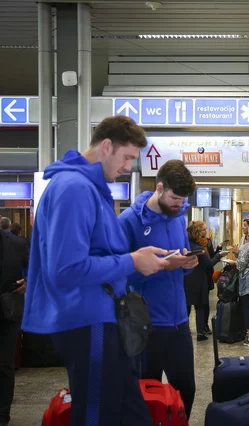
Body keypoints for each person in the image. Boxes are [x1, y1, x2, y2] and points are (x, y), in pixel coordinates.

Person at [21, 115, 169, 426]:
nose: (128, 167)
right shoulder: (74, 189)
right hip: (89, 322)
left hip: (102, 318)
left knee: (129, 413)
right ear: (106, 146)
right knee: (98, 415)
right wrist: (131, 261)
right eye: (127, 157)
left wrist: (137, 259)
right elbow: (65, 269)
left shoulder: (90, 188)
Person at [118, 159, 199, 419]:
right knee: (145, 394)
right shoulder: (129, 221)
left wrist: (187, 263)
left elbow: (180, 258)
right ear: (160, 188)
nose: (179, 204)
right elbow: (116, 271)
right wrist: (163, 266)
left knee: (186, 390)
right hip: (145, 324)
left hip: (179, 322)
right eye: (175, 198)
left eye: (184, 200)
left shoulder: (177, 217)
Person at [0, 228, 29, 426]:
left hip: (6, 312)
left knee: (3, 365)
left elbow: (38, 268)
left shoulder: (17, 244)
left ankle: (2, 416)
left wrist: (29, 281)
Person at [184, 220, 225, 341]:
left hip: (185, 279)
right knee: (200, 306)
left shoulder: (184, 246)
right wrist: (219, 255)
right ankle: (200, 332)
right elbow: (209, 263)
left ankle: (184, 330)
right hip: (199, 280)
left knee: (186, 306)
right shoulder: (199, 248)